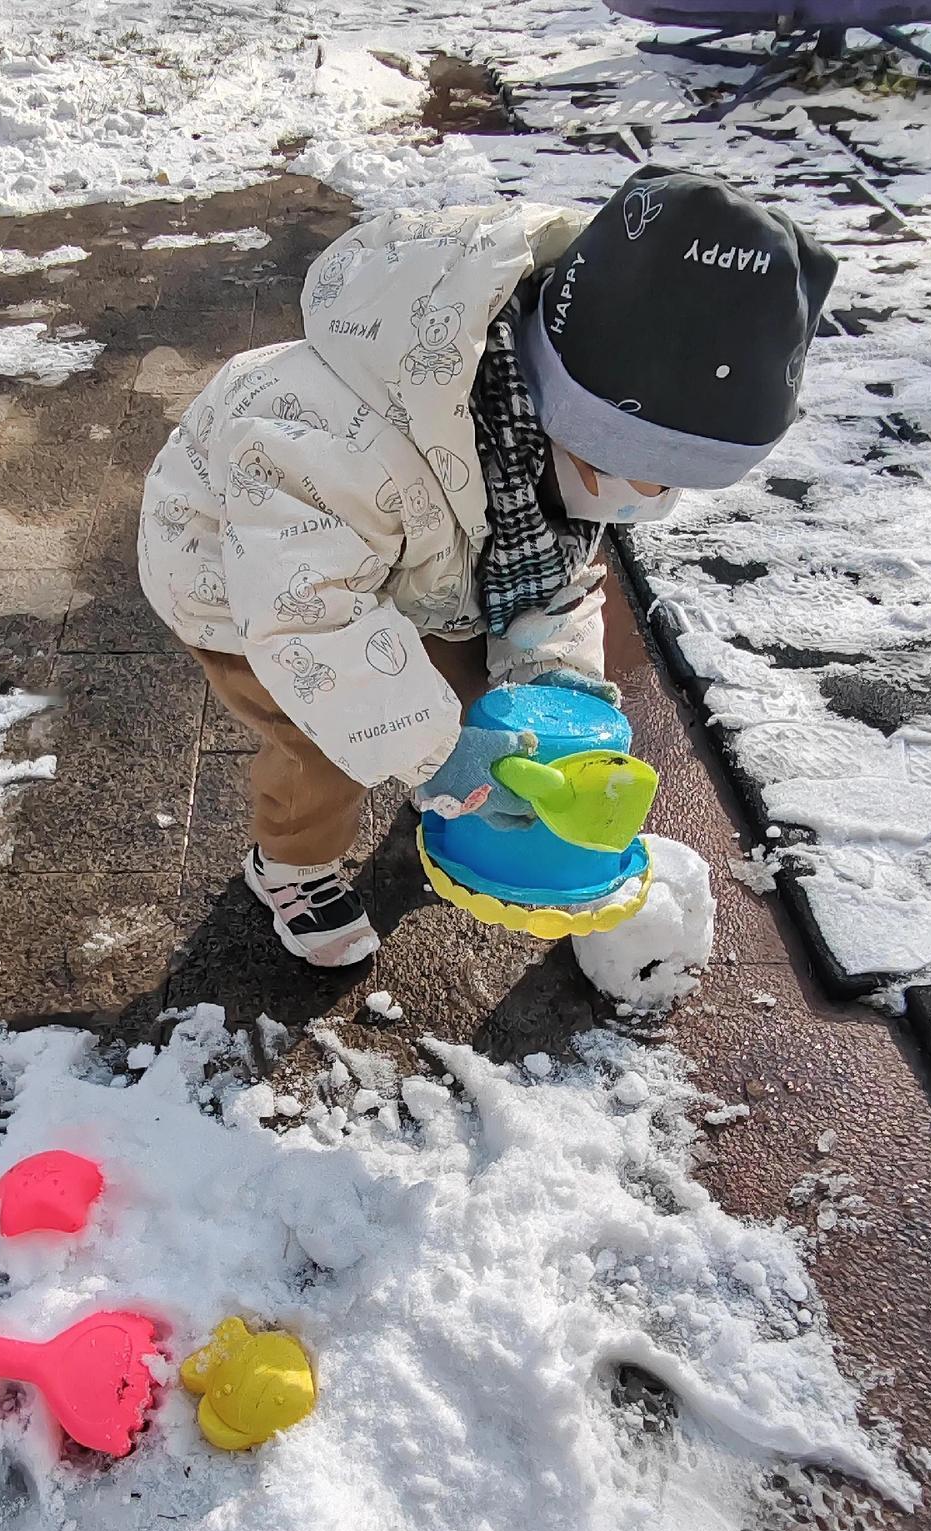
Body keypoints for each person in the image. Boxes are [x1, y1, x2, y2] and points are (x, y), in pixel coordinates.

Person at [138, 166, 837, 967]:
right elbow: (313, 625)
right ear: (568, 412)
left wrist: (551, 670)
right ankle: (293, 862)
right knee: (323, 741)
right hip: (251, 588)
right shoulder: (332, 439)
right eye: (644, 470)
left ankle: (436, 772)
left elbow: (555, 576)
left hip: (416, 569)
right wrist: (439, 753)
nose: (655, 499)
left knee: (468, 695)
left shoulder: (540, 437)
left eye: (677, 480)